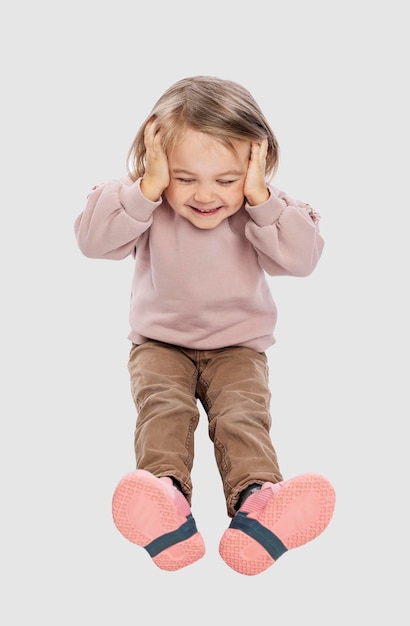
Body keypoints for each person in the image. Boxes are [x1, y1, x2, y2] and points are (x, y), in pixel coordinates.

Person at [74, 75, 335, 576]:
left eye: (226, 179)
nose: (205, 195)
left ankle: (259, 508)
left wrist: (260, 198)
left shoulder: (264, 211)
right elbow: (93, 242)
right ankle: (164, 503)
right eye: (185, 176)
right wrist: (147, 188)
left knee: (241, 417)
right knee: (163, 412)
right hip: (159, 344)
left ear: (255, 168)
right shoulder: (143, 202)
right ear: (157, 165)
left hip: (239, 347)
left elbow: (303, 260)